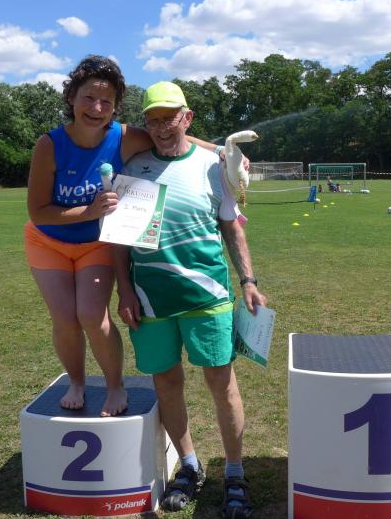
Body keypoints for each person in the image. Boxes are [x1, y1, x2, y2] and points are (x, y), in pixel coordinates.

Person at [25, 56, 224, 416]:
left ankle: (115, 386)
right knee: (65, 318)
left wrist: (223, 152)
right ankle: (76, 381)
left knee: (91, 314)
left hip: (97, 242)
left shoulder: (124, 137)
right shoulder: (49, 145)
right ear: (71, 97)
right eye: (88, 98)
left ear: (116, 107)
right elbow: (38, 211)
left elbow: (175, 134)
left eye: (107, 101)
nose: (97, 108)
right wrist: (90, 211)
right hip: (48, 241)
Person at [114, 81, 267, 518]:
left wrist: (249, 281)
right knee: (166, 384)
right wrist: (125, 290)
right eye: (153, 120)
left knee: (222, 386)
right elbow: (121, 240)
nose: (162, 128)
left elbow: (232, 227)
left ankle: (234, 473)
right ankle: (190, 466)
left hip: (208, 296)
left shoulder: (212, 167)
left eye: (170, 118)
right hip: (151, 300)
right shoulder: (134, 168)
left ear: (188, 118)